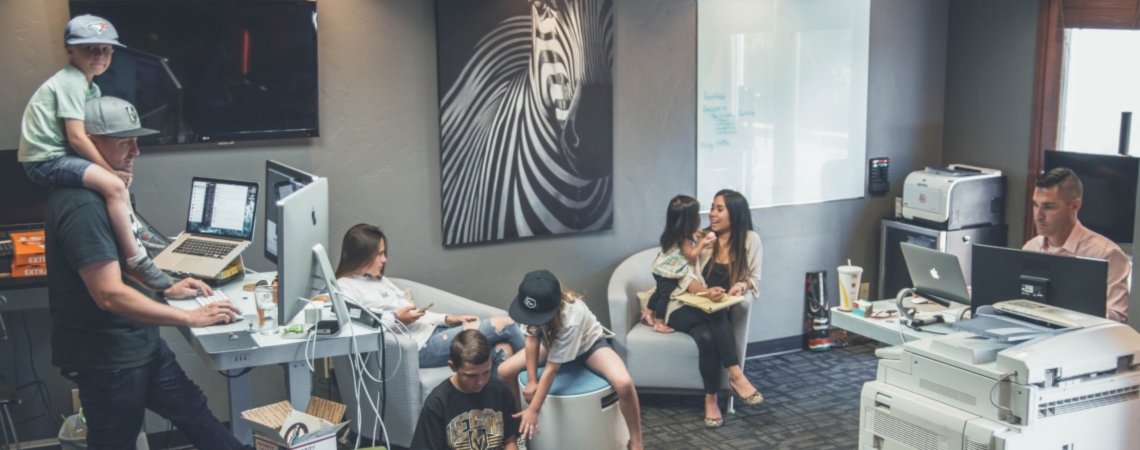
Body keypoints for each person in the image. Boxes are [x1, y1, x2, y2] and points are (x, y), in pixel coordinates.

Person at [47, 96, 248, 449]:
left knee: (197, 416)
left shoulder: (108, 191)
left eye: (136, 140)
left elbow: (129, 259)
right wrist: (191, 318)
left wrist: (166, 286)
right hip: (109, 358)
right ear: (90, 143)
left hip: (140, 344)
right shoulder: (82, 206)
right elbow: (108, 293)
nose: (136, 150)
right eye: (124, 141)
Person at [17, 14, 172, 291]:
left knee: (120, 180)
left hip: (59, 155)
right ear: (69, 49)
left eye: (106, 49)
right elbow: (78, 137)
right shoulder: (70, 82)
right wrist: (109, 171)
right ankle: (137, 261)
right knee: (113, 184)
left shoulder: (91, 86)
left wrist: (116, 172)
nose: (99, 54)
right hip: (45, 159)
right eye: (90, 48)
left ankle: (137, 229)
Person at [334, 224, 525, 374]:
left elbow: (416, 312)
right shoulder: (345, 287)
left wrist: (447, 319)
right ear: (362, 254)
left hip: (433, 331)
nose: (384, 260)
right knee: (505, 324)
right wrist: (397, 318)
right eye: (379, 254)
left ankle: (498, 416)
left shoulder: (377, 279)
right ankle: (547, 372)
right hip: (420, 346)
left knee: (502, 350)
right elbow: (357, 327)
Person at [498, 270, 644, 450]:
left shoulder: (572, 316)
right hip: (551, 345)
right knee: (504, 371)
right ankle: (518, 429)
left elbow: (552, 369)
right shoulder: (529, 306)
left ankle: (636, 441)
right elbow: (531, 339)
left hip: (588, 347)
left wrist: (535, 409)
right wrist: (532, 380)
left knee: (624, 383)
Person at [663, 189, 764, 428]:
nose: (712, 214)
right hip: (681, 307)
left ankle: (711, 400)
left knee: (708, 337)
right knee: (715, 310)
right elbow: (685, 279)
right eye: (712, 208)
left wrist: (740, 285)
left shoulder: (750, 240)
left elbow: (754, 278)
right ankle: (736, 376)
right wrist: (707, 293)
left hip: (712, 315)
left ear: (735, 213)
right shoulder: (699, 239)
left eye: (719, 209)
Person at [1024, 167, 1130, 322]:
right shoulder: (1031, 248)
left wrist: (1063, 316)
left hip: (1084, 341)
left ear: (1075, 206)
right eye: (1035, 205)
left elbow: (1117, 318)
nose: (1038, 215)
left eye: (1048, 207)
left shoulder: (1107, 254)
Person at [411, 329, 520, 450]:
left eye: (486, 372)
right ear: (453, 366)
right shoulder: (438, 402)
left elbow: (510, 441)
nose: (480, 381)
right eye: (471, 375)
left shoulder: (501, 391)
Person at [642, 195, 717, 333]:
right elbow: (690, 254)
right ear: (689, 219)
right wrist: (703, 245)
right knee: (664, 296)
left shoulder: (671, 232)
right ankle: (659, 323)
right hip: (667, 273)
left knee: (659, 292)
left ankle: (647, 313)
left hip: (659, 270)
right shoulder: (683, 237)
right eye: (696, 214)